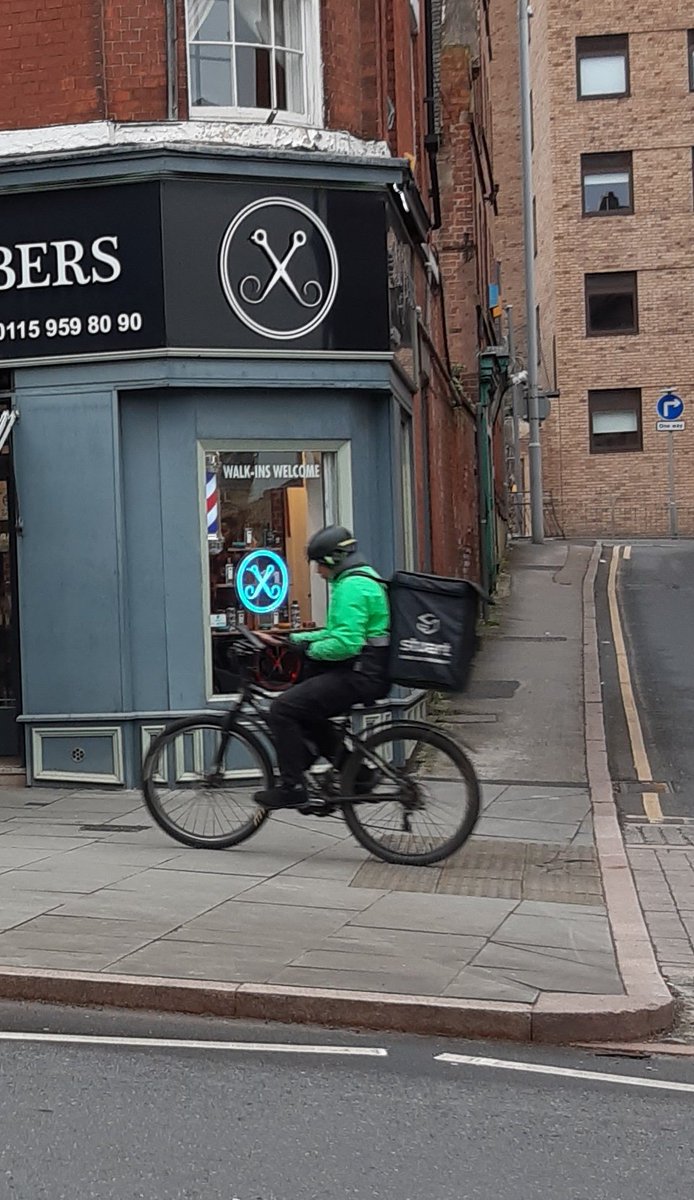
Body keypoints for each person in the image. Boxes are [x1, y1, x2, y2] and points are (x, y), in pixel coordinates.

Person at [254, 525, 391, 810]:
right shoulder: (361, 579)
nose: (317, 572)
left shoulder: (352, 587)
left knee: (283, 709)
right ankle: (360, 776)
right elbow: (336, 631)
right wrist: (291, 640)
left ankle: (292, 786)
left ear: (332, 560)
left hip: (361, 674)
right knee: (311, 716)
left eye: (318, 564)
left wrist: (308, 650)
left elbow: (345, 644)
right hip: (367, 671)